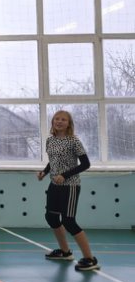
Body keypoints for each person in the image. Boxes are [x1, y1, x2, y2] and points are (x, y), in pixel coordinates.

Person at [37, 110, 98, 271]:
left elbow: (86, 164)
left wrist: (64, 175)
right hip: (54, 185)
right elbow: (53, 161)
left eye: (63, 119)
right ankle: (65, 252)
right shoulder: (50, 140)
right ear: (53, 122)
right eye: (57, 119)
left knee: (68, 221)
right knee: (51, 217)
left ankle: (90, 259)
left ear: (69, 123)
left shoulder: (74, 141)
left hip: (70, 186)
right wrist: (44, 172)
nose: (59, 121)